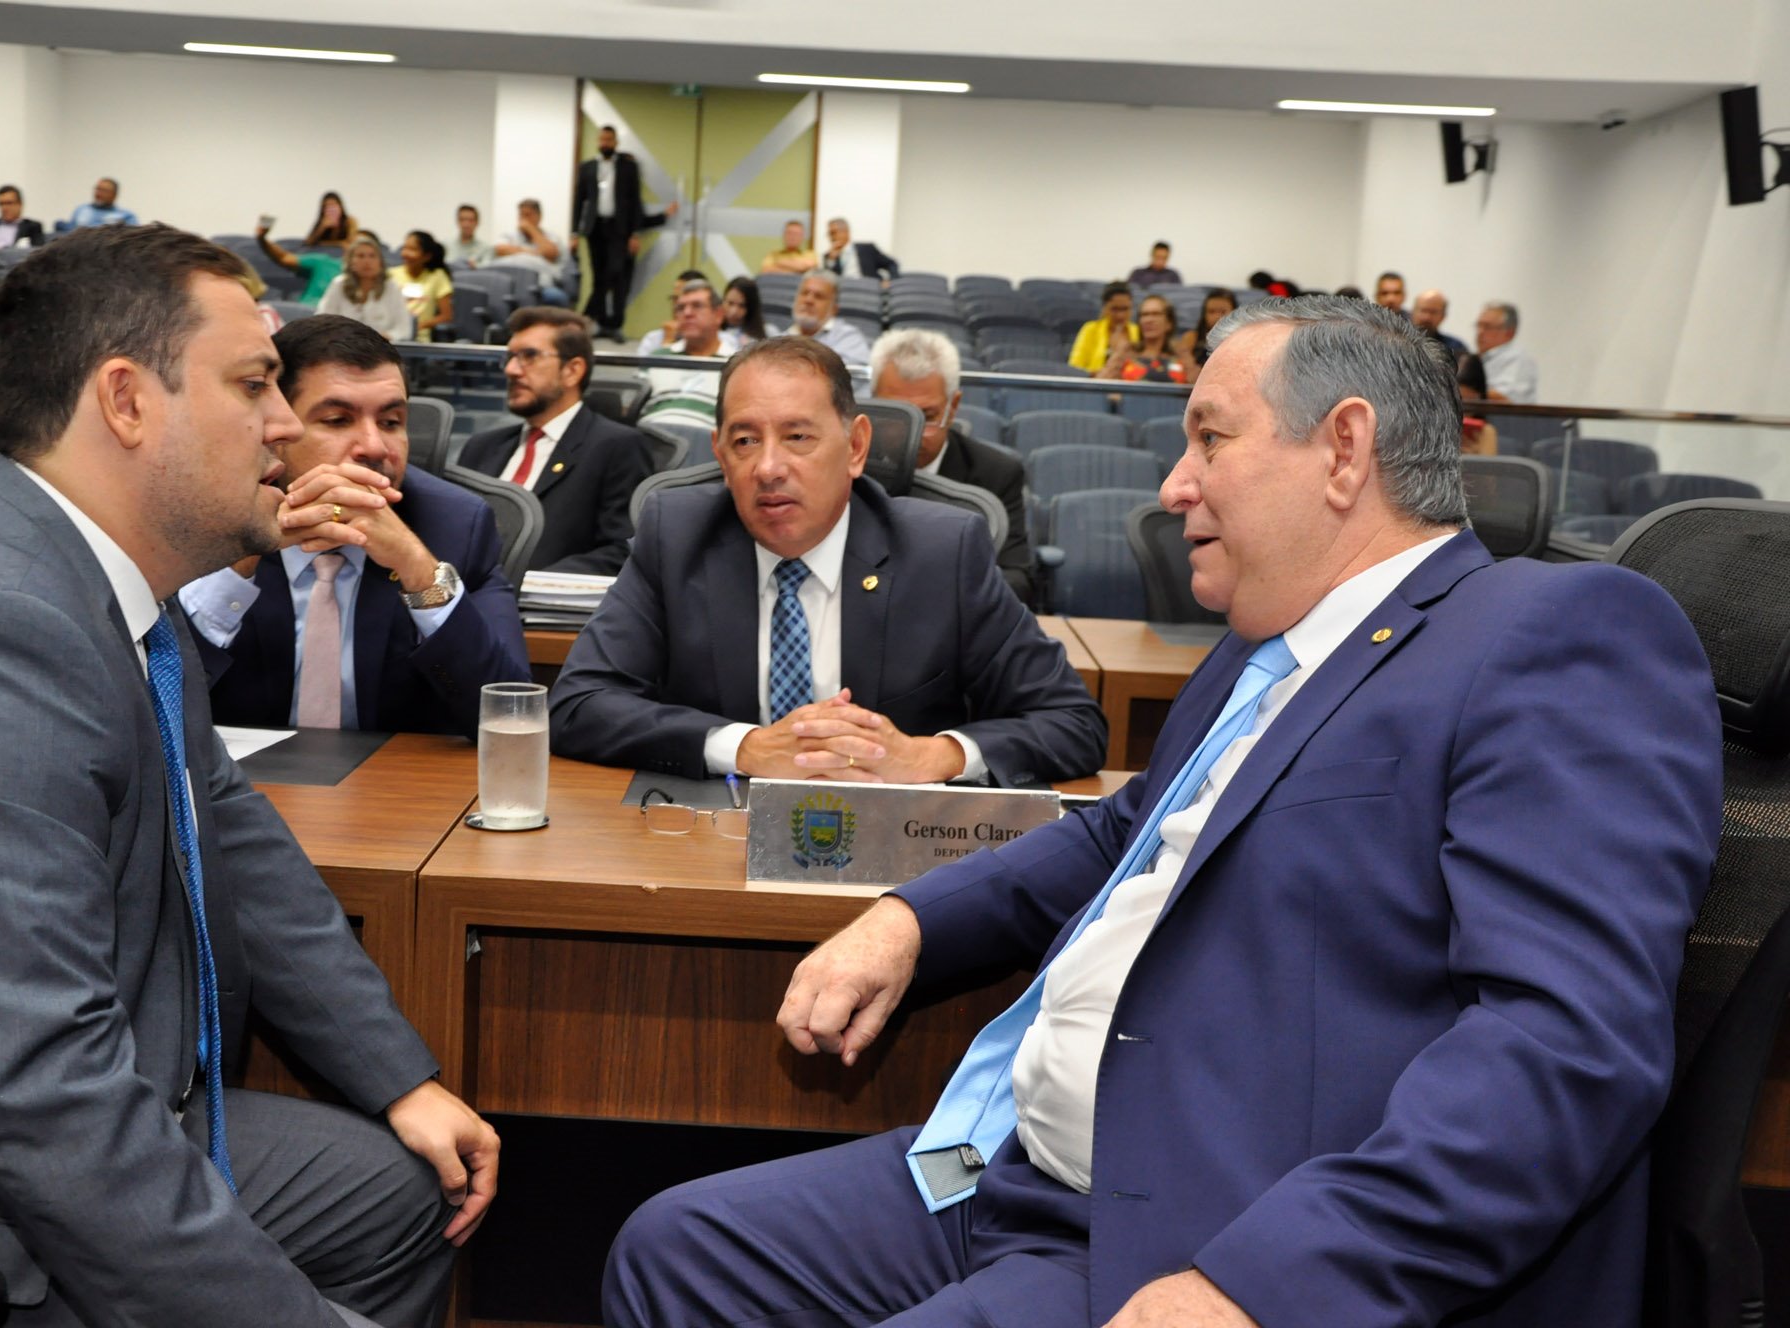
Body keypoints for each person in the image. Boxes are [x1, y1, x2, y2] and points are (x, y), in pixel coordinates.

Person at [602, 294, 1721, 1328]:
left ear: (1343, 449)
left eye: (1209, 440)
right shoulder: (1261, 652)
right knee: (677, 1250)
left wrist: (1268, 1281)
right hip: (1008, 1169)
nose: (1174, 486)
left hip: (1202, 1233)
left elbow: (1562, 1046)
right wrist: (908, 920)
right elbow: (1117, 832)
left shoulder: (1551, 635)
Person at [0, 224, 502, 1327]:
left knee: (394, 1197)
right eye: (255, 384)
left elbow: (230, 835)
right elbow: (46, 1098)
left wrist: (397, 1076)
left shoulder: (90, 581)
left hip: (76, 1100)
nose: (286, 423)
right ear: (126, 401)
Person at [552, 336, 1107, 786]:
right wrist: (745, 747)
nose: (768, 467)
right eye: (745, 441)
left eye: (797, 436)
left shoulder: (943, 553)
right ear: (720, 455)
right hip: (708, 837)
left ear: (856, 447)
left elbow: (1072, 723)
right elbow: (579, 704)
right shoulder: (675, 535)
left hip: (892, 849)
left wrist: (930, 757)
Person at [181, 314, 530, 738]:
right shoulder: (204, 517)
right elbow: (145, 702)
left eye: (391, 422)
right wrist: (240, 561)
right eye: (337, 420)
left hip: (387, 778)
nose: (375, 447)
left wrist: (418, 569)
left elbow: (512, 715)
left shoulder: (454, 525)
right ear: (276, 429)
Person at [457, 307, 656, 576]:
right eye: (510, 357)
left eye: (529, 356)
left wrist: (524, 583)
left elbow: (623, 550)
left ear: (572, 370)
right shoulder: (481, 447)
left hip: (544, 598)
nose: (511, 370)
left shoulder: (617, 447)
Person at [869, 327, 1035, 606]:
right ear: (874, 403)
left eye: (927, 416)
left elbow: (1017, 578)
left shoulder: (997, 473)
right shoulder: (845, 465)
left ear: (953, 406)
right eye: (899, 415)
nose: (913, 432)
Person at [572, 124, 677, 339]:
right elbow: (579, 202)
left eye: (608, 140)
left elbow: (634, 202)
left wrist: (635, 233)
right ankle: (600, 322)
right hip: (595, 228)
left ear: (616, 142)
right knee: (599, 277)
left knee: (616, 274)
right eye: (602, 139)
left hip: (619, 230)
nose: (604, 143)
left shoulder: (628, 167)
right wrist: (574, 233)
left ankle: (611, 322)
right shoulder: (588, 167)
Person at [637, 279, 736, 426]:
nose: (687, 313)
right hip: (650, 433)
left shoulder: (736, 365)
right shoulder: (657, 358)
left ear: (719, 315)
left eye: (697, 306)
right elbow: (630, 406)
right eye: (680, 308)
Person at [315, 235, 413, 342]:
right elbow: (323, 320)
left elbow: (403, 329)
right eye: (361, 256)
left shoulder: (391, 287)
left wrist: (387, 336)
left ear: (380, 262)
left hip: (381, 346)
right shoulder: (339, 284)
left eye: (372, 256)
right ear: (351, 261)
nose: (367, 261)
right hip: (343, 345)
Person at [490, 198, 568, 305]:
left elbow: (550, 253)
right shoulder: (509, 235)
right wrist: (531, 252)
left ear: (539, 217)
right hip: (510, 285)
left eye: (528, 215)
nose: (523, 219)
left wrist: (531, 229)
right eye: (521, 215)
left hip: (541, 285)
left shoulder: (552, 237)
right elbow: (500, 249)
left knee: (556, 297)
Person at [1097, 292, 1188, 383]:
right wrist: (1118, 353)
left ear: (1169, 323)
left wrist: (1183, 352)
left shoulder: (1180, 354)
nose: (1148, 320)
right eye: (1144, 315)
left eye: (1156, 314)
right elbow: (1101, 384)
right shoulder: (1127, 352)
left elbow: (1193, 382)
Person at [789, 271, 871, 364]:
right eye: (804, 293)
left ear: (834, 309)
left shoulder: (849, 338)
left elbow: (856, 371)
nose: (808, 300)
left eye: (818, 296)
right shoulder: (781, 338)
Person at [256, 217, 342, 304]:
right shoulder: (324, 263)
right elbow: (284, 258)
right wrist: (262, 238)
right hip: (307, 309)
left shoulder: (349, 278)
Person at [390, 231, 455, 341]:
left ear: (426, 256)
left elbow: (446, 316)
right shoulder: (390, 274)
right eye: (405, 248)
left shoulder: (437, 276)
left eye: (412, 249)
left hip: (419, 339)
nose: (405, 253)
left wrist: (418, 327)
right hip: (391, 337)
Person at [634, 268, 710, 355]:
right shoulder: (653, 339)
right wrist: (667, 343)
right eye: (675, 299)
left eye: (693, 303)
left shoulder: (721, 341)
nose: (676, 306)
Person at [1476, 300, 1539, 402]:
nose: (1480, 332)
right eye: (1479, 326)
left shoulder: (1519, 360)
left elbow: (1505, 398)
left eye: (1487, 327)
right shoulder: (1478, 358)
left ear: (1509, 332)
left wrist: (1466, 392)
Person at [1068, 282, 1138, 373]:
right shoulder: (1090, 330)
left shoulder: (1137, 331)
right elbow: (1075, 368)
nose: (1120, 315)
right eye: (1115, 309)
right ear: (1105, 308)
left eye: (1125, 309)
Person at [0, 183, 46, 252]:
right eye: (1, 204)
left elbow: (37, 252)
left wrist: (0, 251)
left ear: (20, 205)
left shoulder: (32, 227)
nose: (4, 208)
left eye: (9, 203)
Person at [821, 217, 900, 281]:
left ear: (846, 232)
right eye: (829, 234)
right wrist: (831, 260)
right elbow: (828, 280)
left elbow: (892, 264)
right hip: (845, 291)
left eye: (834, 233)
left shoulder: (867, 249)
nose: (832, 237)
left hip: (868, 288)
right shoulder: (828, 257)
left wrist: (890, 281)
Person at [1176, 286, 1235, 368]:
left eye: (1223, 311)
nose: (1217, 317)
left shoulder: (1242, 339)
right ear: (1204, 315)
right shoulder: (1191, 338)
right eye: (1211, 311)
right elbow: (1185, 368)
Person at [1455, 351, 1499, 455]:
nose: (1461, 411)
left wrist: (1475, 458)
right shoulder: (1428, 429)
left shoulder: (1486, 433)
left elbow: (1489, 465)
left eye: (1468, 401)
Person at [64, 177, 139, 230]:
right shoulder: (81, 210)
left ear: (114, 195)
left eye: (104, 191)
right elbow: (70, 232)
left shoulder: (126, 216)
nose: (98, 194)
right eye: (97, 189)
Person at [1411, 288, 1467, 359]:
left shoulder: (1455, 347)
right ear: (1412, 312)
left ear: (1443, 316)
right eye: (1423, 310)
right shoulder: (1398, 344)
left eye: (1433, 312)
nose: (1427, 317)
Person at [722, 275, 768, 349]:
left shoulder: (767, 333)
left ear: (751, 308)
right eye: (730, 303)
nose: (734, 312)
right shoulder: (711, 330)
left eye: (741, 306)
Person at [450, 204, 491, 269]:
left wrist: (475, 266)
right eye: (462, 220)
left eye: (470, 220)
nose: (466, 224)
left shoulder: (486, 248)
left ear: (477, 222)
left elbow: (488, 268)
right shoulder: (445, 246)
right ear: (457, 221)